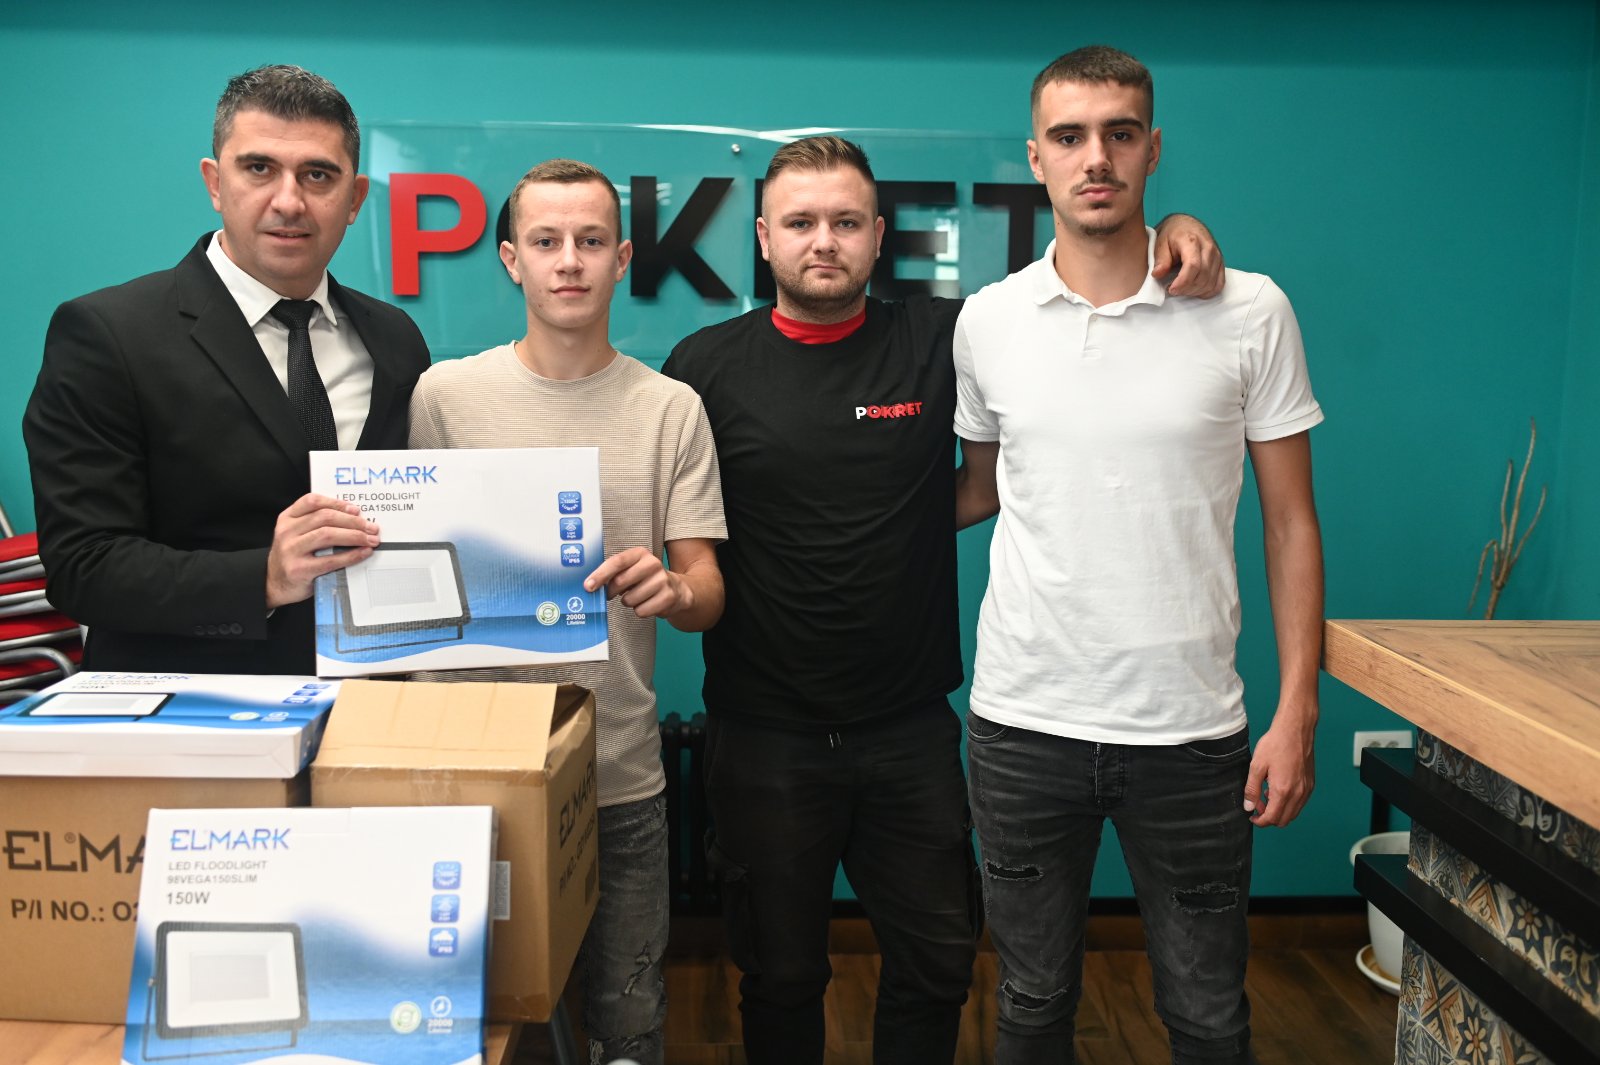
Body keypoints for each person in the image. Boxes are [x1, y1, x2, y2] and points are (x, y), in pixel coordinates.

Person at [662, 135, 1223, 1065]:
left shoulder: (944, 338)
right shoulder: (702, 365)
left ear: (879, 235)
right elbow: (687, 523)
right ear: (763, 238)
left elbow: (1068, 325)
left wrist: (1179, 228)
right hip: (762, 735)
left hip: (909, 732)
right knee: (780, 976)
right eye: (800, 222)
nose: (824, 241)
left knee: (935, 966)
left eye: (847, 222)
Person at [953, 46, 1325, 1064]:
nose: (1096, 158)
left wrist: (1297, 707)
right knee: (1030, 1004)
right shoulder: (987, 321)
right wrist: (817, 522)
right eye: (1069, 137)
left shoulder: (1249, 309)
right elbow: (978, 490)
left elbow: (1291, 522)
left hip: (1192, 732)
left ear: (1153, 150)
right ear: (1035, 157)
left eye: (1119, 134)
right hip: (1022, 726)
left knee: (1207, 1015)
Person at [407, 158, 726, 1065]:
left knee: (628, 1026)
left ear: (622, 258)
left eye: (590, 241)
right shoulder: (443, 396)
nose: (569, 260)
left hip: (614, 773)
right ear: (512, 259)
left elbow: (706, 592)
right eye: (546, 241)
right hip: (471, 770)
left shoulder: (671, 409)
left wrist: (675, 590)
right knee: (486, 1034)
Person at [23, 64, 429, 675]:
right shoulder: (107, 333)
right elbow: (83, 565)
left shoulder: (395, 338)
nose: (288, 201)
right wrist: (264, 577)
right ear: (215, 183)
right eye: (259, 168)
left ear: (354, 199)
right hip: (195, 711)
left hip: (376, 698)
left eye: (318, 175)